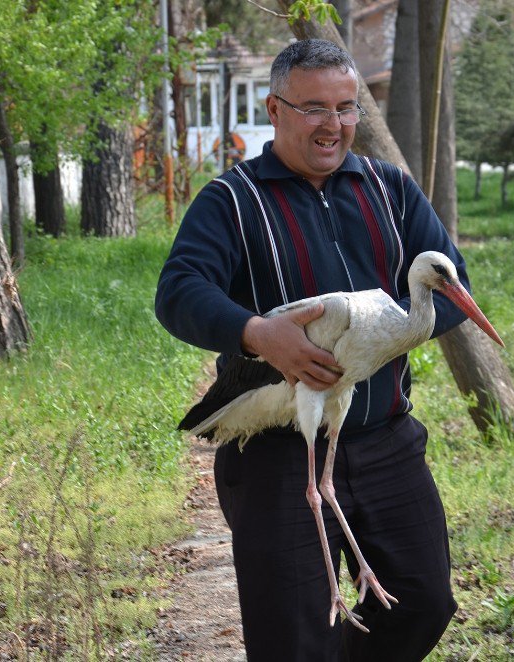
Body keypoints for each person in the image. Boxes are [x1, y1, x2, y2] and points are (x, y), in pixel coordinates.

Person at [155, 39, 469, 661]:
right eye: (314, 108)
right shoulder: (232, 200)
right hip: (277, 460)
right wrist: (260, 333)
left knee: (423, 601)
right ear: (274, 110)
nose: (334, 125)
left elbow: (453, 289)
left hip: (387, 443)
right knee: (296, 642)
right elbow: (179, 291)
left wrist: (378, 342)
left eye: (347, 107)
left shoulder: (392, 191)